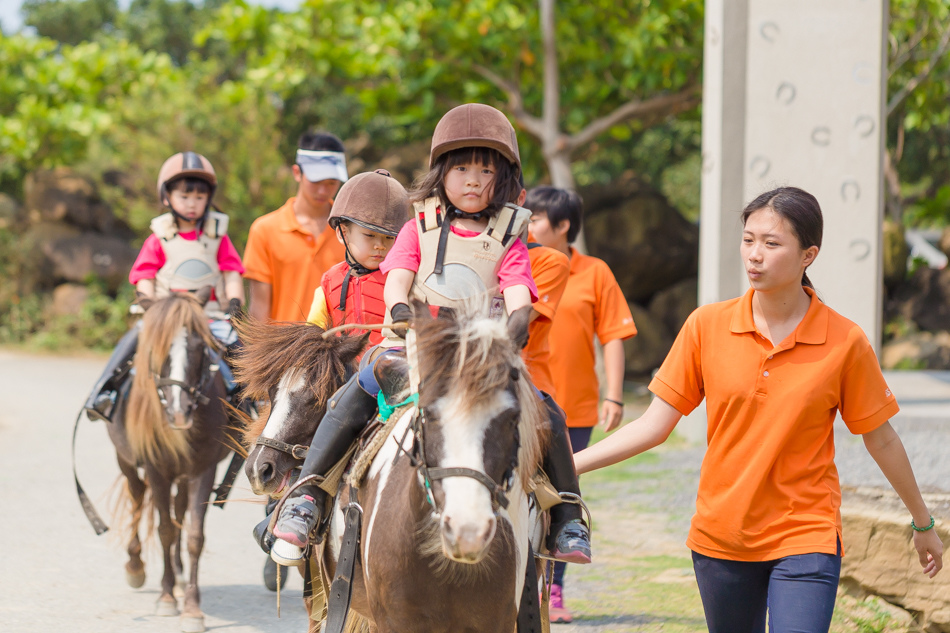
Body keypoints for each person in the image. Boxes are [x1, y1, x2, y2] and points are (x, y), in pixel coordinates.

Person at [573, 187, 945, 633]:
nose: (754, 255)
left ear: (809, 254)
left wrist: (922, 523)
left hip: (806, 534)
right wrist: (568, 466)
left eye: (771, 244)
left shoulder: (845, 341)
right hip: (721, 538)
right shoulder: (706, 327)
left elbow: (880, 437)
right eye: (748, 240)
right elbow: (654, 426)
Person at [269, 103, 592, 567]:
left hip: (483, 353)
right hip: (414, 344)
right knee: (353, 394)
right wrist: (400, 306)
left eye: (486, 170)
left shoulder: (510, 235)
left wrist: (519, 318)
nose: (474, 180)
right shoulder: (418, 226)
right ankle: (309, 495)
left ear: (504, 177)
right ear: (442, 172)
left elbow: (519, 286)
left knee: (546, 411)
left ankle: (566, 513)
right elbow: (399, 274)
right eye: (462, 168)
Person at [527, 185, 637, 623]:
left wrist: (614, 393)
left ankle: (553, 593)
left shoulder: (594, 273)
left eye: (535, 219)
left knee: (560, 498)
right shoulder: (519, 265)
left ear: (563, 225)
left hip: (575, 407)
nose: (527, 225)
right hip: (527, 398)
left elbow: (611, 335)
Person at [83, 151, 245, 423]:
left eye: (199, 197)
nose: (192, 204)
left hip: (208, 317)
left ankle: (253, 403)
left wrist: (235, 302)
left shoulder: (218, 236)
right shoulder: (159, 237)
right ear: (167, 197)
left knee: (239, 350)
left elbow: (231, 273)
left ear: (208, 198)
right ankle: (104, 391)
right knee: (132, 340)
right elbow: (145, 274)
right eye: (184, 196)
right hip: (165, 316)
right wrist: (147, 301)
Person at [243, 131, 348, 323]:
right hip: (284, 351)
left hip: (339, 350)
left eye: (332, 183)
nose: (323, 191)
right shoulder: (265, 230)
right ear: (297, 172)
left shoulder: (350, 231)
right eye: (316, 182)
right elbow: (258, 310)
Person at [306, 169, 409, 349]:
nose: (380, 245)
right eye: (369, 236)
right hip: (340, 369)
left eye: (389, 238)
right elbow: (312, 336)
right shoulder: (329, 283)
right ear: (343, 233)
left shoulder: (403, 279)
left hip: (389, 368)